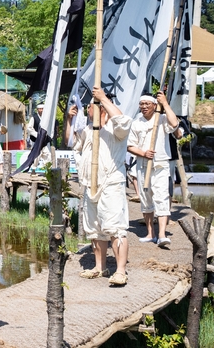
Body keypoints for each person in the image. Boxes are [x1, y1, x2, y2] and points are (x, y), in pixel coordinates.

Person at [66, 87, 131, 286]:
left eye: (90, 106)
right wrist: (68, 120)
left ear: (101, 108)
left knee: (115, 227)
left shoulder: (115, 128)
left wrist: (102, 98)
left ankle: (120, 271)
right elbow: (70, 142)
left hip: (111, 184)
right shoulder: (87, 130)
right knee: (94, 229)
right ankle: (99, 266)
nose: (86, 110)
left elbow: (123, 121)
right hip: (90, 185)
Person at [127, 92, 181, 249]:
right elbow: (130, 146)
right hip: (143, 165)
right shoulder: (136, 122)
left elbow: (175, 125)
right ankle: (151, 233)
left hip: (160, 165)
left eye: (147, 104)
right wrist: (143, 153)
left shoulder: (162, 119)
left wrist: (165, 103)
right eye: (141, 104)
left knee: (162, 197)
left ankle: (162, 234)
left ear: (154, 106)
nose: (144, 107)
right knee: (146, 198)